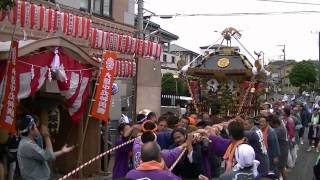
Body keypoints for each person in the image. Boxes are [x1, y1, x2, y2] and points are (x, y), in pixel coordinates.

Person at [17, 114, 74, 180]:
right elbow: (49, 156)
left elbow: (44, 155)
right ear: (31, 130)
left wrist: (62, 151)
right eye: (35, 127)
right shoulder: (27, 145)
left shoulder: (27, 143)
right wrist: (46, 136)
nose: (37, 128)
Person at [269, 115, 289, 180]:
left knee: (279, 170)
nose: (270, 125)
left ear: (275, 123)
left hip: (281, 152)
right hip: (283, 150)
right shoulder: (281, 127)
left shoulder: (278, 130)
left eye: (271, 123)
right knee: (282, 168)